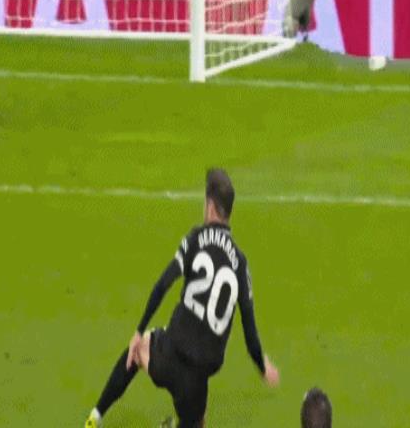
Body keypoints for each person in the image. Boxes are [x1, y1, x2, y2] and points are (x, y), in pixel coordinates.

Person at [85, 168, 279, 428]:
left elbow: (163, 285)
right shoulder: (241, 264)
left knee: (138, 349)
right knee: (197, 417)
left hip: (168, 358)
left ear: (210, 205)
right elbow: (250, 332)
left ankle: (94, 418)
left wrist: (138, 330)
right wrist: (262, 366)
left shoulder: (196, 239)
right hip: (199, 377)